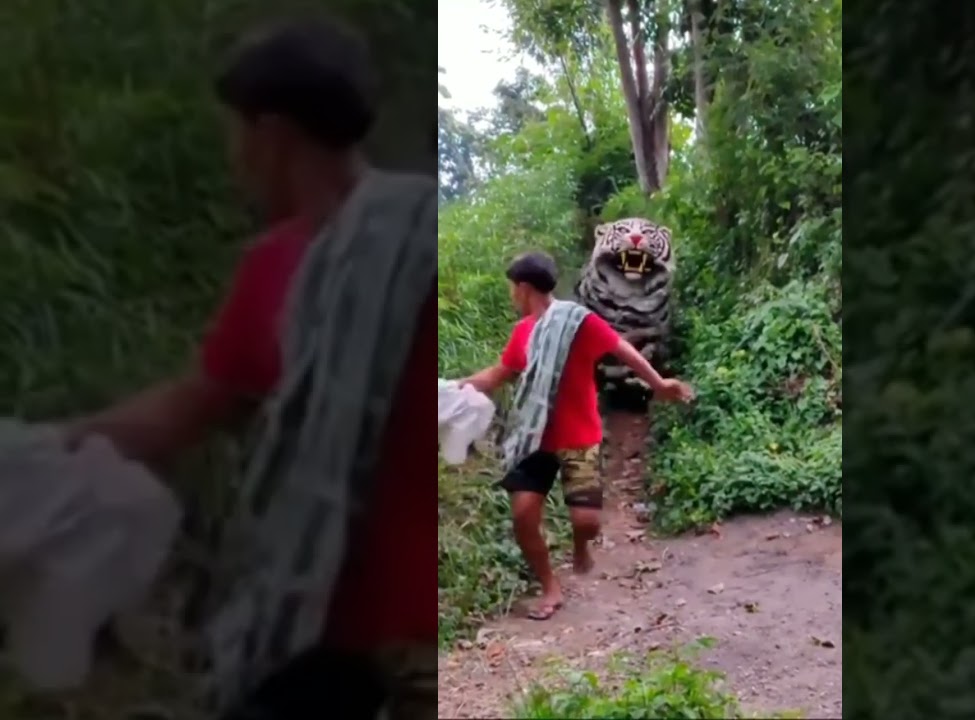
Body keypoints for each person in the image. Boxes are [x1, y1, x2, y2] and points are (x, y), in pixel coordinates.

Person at [64, 16, 436, 720]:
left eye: (236, 133)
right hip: (339, 635)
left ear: (271, 134)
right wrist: (47, 446)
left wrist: (49, 445)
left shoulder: (346, 256)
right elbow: (190, 407)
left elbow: (179, 416)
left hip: (372, 633)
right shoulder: (406, 237)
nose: (235, 156)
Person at [459, 251, 693, 621]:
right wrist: (451, 388)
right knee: (523, 515)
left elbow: (622, 350)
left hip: (578, 437)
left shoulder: (578, 322)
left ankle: (581, 547)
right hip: (534, 438)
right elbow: (499, 374)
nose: (512, 295)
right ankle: (550, 587)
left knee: (586, 521)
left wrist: (659, 383)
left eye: (512, 288)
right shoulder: (523, 333)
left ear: (523, 288)